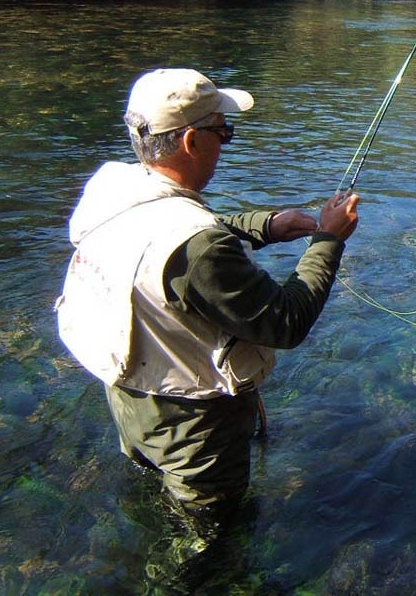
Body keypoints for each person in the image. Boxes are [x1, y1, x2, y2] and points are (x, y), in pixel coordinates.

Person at [55, 67, 359, 519]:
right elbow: (285, 322)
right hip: (193, 431)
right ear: (192, 142)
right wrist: (328, 240)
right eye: (224, 132)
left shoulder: (110, 187)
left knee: (151, 504)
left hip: (128, 399)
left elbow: (170, 231)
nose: (225, 142)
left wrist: (266, 226)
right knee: (212, 536)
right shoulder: (197, 246)